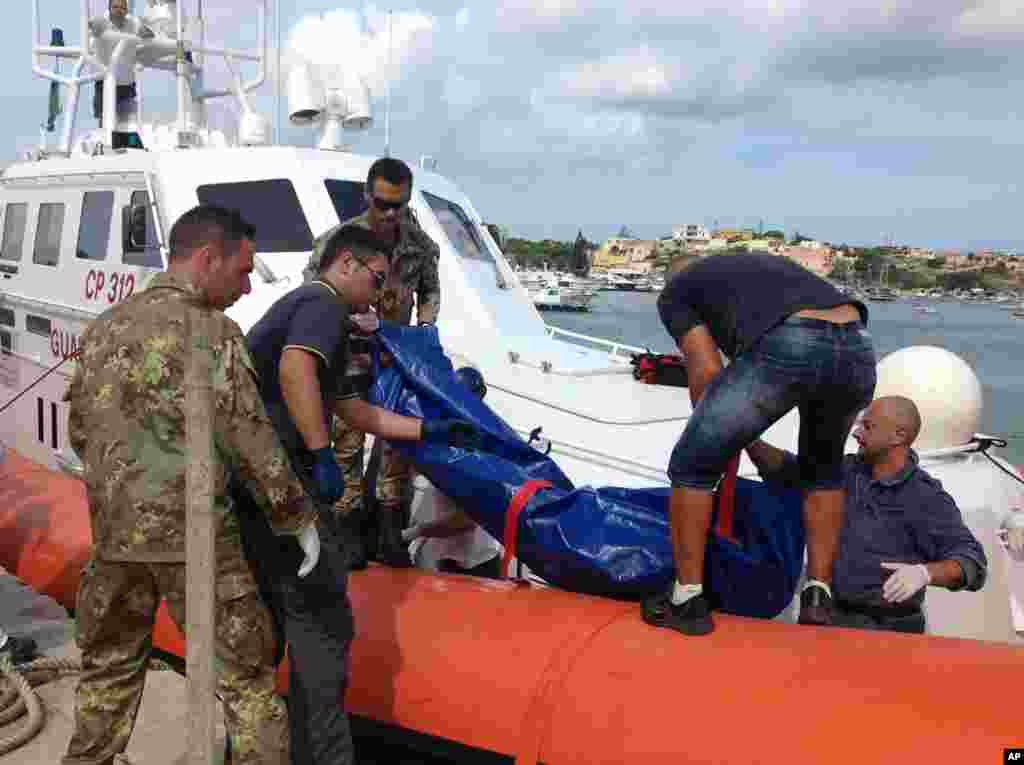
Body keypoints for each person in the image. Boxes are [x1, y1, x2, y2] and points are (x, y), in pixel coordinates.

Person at [63, 205, 315, 765]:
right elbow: (252, 442)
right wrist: (297, 518)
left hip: (115, 539)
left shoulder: (104, 328)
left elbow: (81, 430)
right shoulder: (214, 333)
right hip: (197, 544)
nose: (247, 288)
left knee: (108, 671)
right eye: (243, 271)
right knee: (247, 684)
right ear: (208, 257)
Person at [237, 223, 475, 765]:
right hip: (281, 484)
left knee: (283, 615)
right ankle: (322, 754)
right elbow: (297, 366)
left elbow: (352, 408)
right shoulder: (321, 304)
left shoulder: (320, 315)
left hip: (259, 486)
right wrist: (322, 455)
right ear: (345, 265)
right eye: (375, 280)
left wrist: (428, 431)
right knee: (324, 623)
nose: (381, 294)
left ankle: (274, 743)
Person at [644, 252, 876, 636]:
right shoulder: (748, 267)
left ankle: (685, 600)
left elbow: (706, 370)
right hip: (857, 344)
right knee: (822, 469)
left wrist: (711, 435)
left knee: (692, 466)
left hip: (795, 338)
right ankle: (818, 596)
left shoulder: (676, 293)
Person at [746, 396, 988, 633]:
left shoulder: (925, 497)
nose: (856, 433)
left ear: (899, 436)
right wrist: (747, 439)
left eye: (868, 426)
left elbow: (972, 563)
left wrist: (925, 573)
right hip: (827, 619)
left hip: (892, 632)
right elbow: (788, 471)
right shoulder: (845, 471)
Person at [303, 157, 442, 568]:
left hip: (395, 358)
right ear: (367, 196)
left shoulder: (420, 246)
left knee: (397, 450)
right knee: (346, 446)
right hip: (349, 355)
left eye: (398, 205)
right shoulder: (338, 241)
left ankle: (388, 534)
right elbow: (315, 291)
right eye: (382, 203)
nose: (389, 213)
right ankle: (346, 536)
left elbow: (430, 293)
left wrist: (426, 329)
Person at [402, 367, 503, 579]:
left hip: (471, 566)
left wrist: (415, 532)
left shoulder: (475, 449)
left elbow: (465, 520)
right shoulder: (451, 434)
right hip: (452, 557)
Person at [89, 0, 153, 129]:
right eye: (115, 7)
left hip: (127, 84)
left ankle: (124, 145)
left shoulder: (132, 22)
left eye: (123, 8)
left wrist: (142, 29)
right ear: (109, 8)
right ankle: (108, 144)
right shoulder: (102, 21)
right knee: (105, 123)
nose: (119, 10)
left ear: (127, 10)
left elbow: (148, 34)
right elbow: (92, 24)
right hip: (105, 82)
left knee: (128, 124)